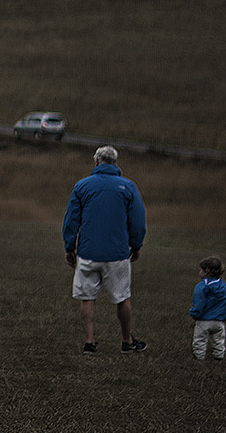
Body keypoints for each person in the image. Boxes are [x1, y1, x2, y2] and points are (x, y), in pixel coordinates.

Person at [64, 145, 148, 353]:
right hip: (117, 253)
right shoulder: (128, 187)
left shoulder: (82, 186)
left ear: (96, 162)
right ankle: (127, 341)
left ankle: (90, 342)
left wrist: (69, 247)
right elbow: (138, 222)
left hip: (88, 252)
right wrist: (136, 245)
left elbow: (71, 221)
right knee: (122, 297)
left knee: (88, 296)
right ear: (115, 163)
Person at [190, 256, 226, 360]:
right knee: (219, 341)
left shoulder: (202, 286)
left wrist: (195, 314)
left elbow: (199, 303)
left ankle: (199, 358)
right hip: (219, 321)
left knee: (200, 341)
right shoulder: (224, 286)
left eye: (201, 270)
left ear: (206, 271)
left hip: (204, 320)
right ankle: (219, 357)